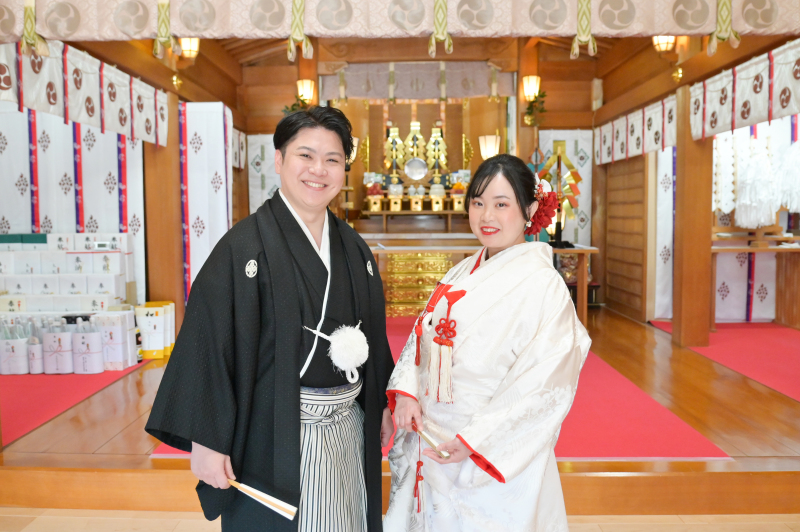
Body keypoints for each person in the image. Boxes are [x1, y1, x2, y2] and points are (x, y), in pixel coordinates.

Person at [146, 106, 395, 532]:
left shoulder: (353, 248)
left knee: (346, 519)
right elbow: (208, 341)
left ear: (344, 170)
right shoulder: (242, 247)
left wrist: (381, 402)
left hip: (345, 428)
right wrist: (206, 439)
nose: (319, 170)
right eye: (305, 156)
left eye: (332, 159)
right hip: (269, 434)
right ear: (279, 160)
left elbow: (372, 334)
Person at [383, 154, 591, 532]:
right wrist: (409, 393)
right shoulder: (461, 270)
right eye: (478, 203)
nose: (486, 216)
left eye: (501, 204)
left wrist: (476, 439)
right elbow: (423, 333)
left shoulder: (544, 285)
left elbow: (543, 382)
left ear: (530, 210)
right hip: (432, 434)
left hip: (485, 445)